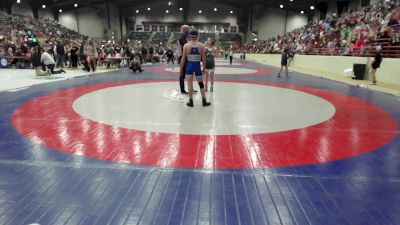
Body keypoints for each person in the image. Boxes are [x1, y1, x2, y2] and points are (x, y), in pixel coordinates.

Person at [180, 30, 211, 107]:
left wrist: (181, 69)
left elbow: (183, 58)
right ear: (197, 36)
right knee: (201, 84)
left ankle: (191, 101)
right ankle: (204, 101)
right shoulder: (201, 46)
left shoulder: (186, 46)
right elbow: (203, 58)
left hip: (189, 66)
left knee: (189, 84)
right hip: (197, 66)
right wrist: (204, 67)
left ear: (189, 36)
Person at [177, 25, 190, 94]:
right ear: (185, 30)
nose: (189, 31)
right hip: (183, 57)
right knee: (182, 74)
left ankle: (189, 88)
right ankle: (182, 90)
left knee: (188, 73)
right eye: (188, 30)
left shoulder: (184, 38)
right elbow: (186, 49)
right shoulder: (182, 38)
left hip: (184, 57)